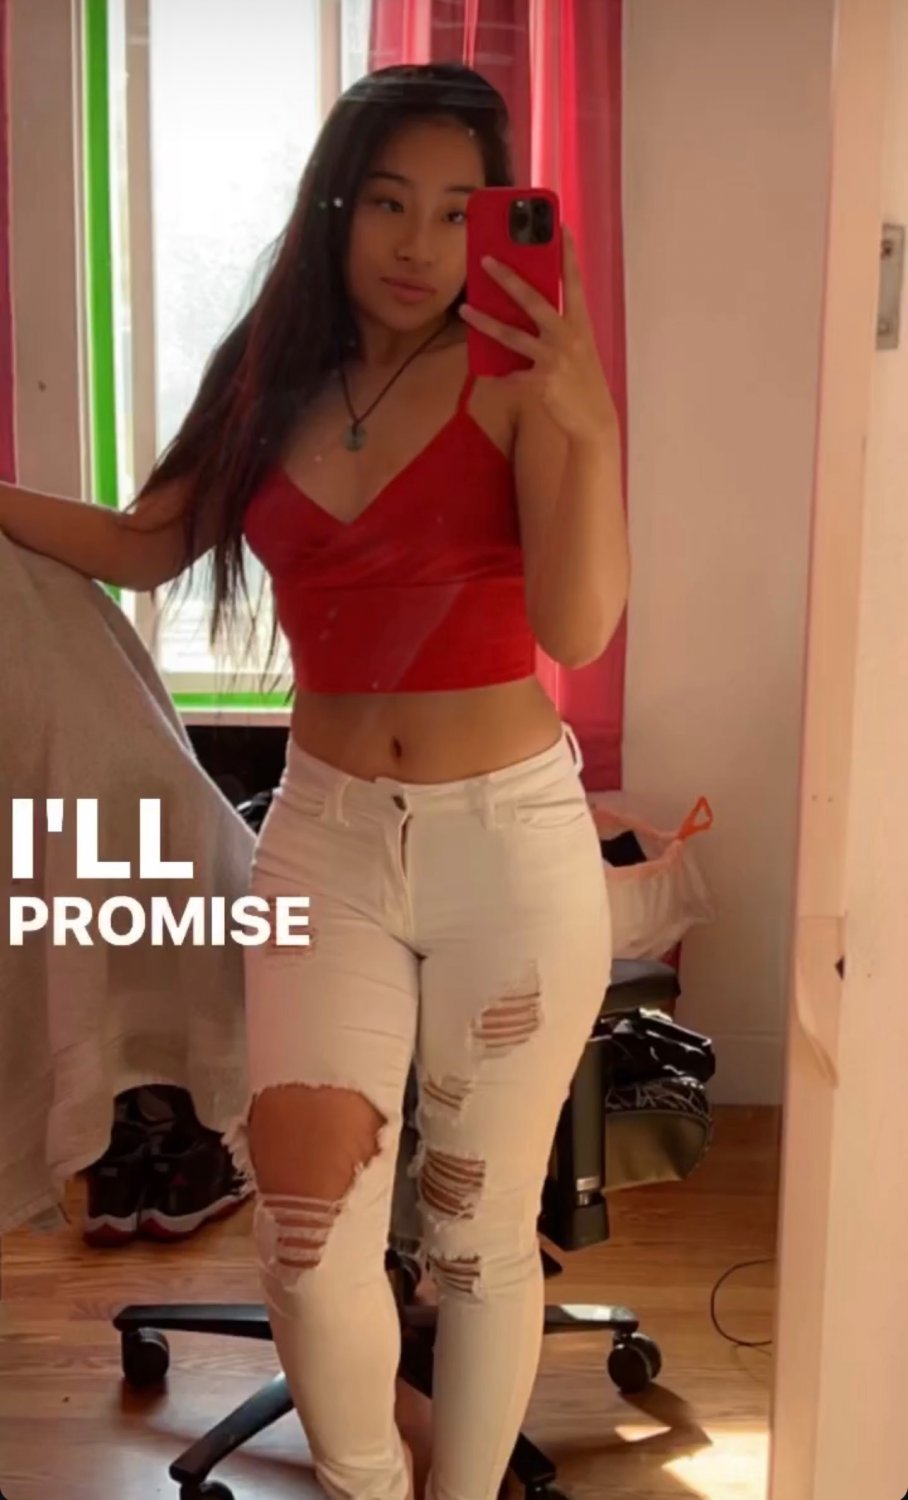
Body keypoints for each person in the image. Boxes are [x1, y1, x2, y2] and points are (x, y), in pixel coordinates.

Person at [0, 61, 628, 1500]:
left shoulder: (521, 384)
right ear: (336, 207)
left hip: (507, 848)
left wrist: (586, 425)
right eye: (389, 202)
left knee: (474, 1240)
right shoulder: (268, 381)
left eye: (460, 211)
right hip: (325, 837)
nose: (420, 243)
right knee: (304, 1232)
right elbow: (147, 541)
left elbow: (578, 627)